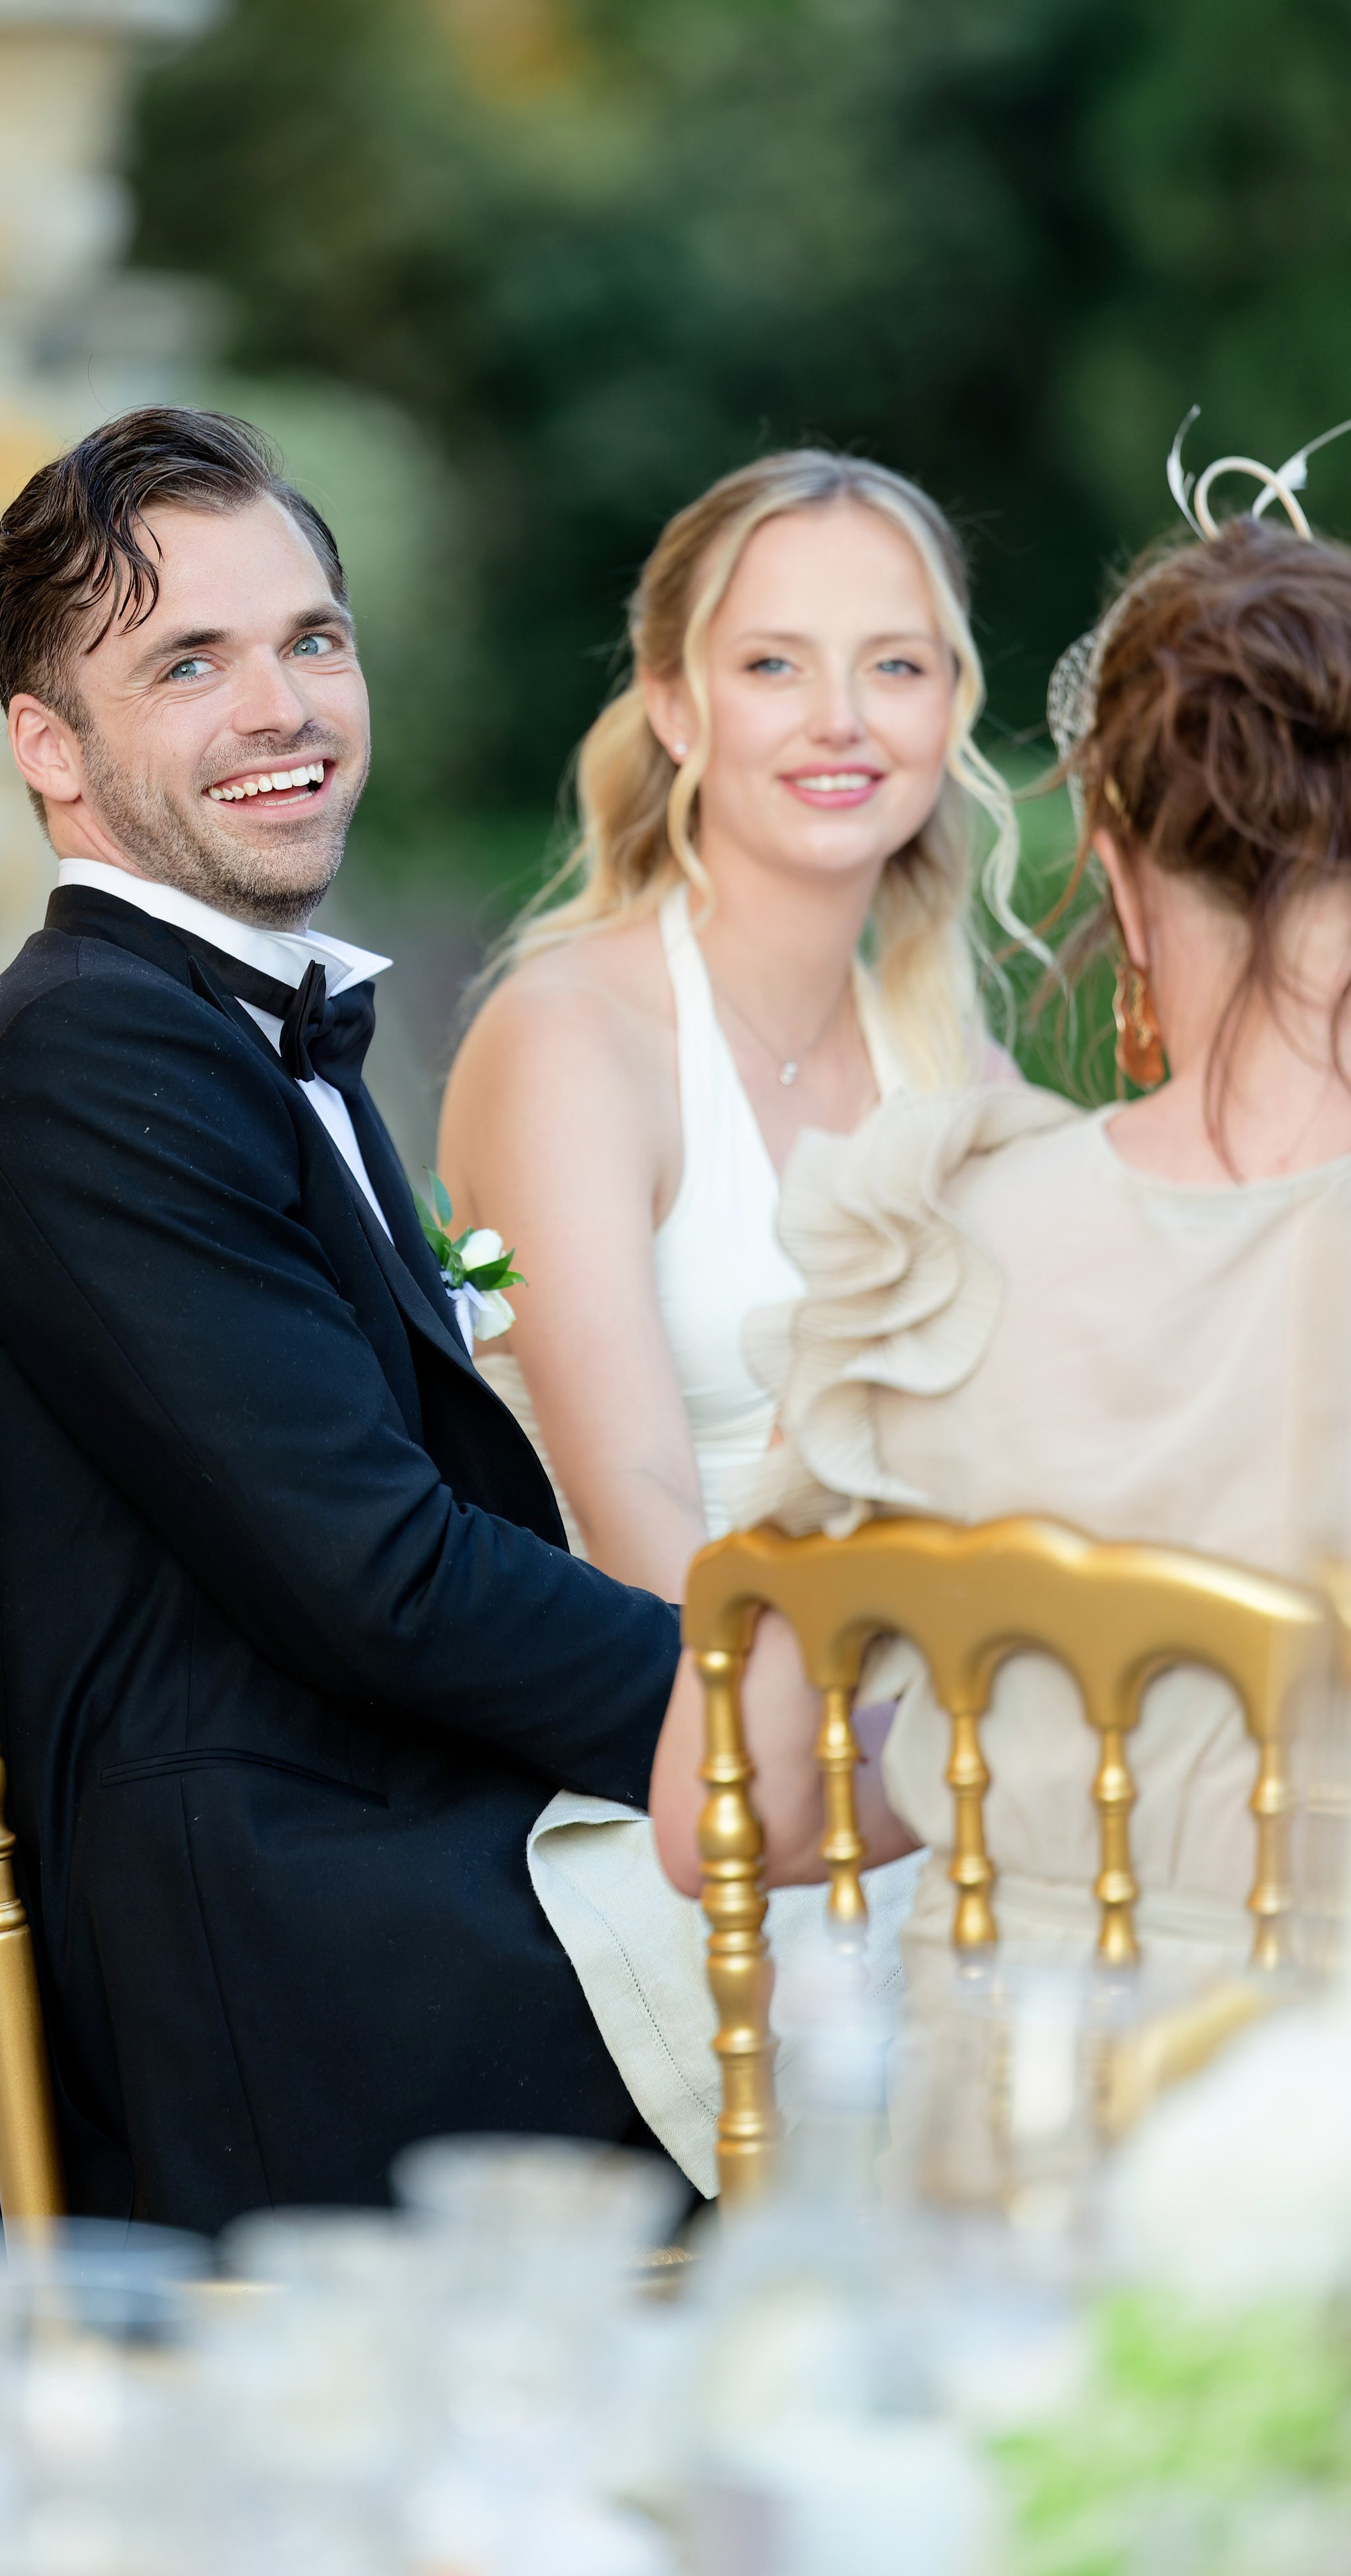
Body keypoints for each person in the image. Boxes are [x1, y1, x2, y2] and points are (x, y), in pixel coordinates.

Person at [0, 406, 707, 2238]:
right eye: (188, 664)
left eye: (311, 639)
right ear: (48, 745)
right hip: (283, 1967)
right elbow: (381, 1580)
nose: (283, 708)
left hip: (330, 1863)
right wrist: (747, 1706)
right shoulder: (88, 1066)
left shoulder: (207, 1025)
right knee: (965, 1959)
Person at [650, 510, 1351, 2019]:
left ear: (1111, 862)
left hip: (1004, 2132)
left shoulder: (925, 1239)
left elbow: (726, 1814)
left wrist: (1027, 1769)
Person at [435, 453, 1018, 2183]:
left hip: (923, 1743)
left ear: (950, 703)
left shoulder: (950, 1057)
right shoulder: (570, 1039)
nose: (839, 717)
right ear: (677, 706)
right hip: (659, 1774)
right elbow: (639, 1551)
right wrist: (961, 1768)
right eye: (773, 663)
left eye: (892, 663)